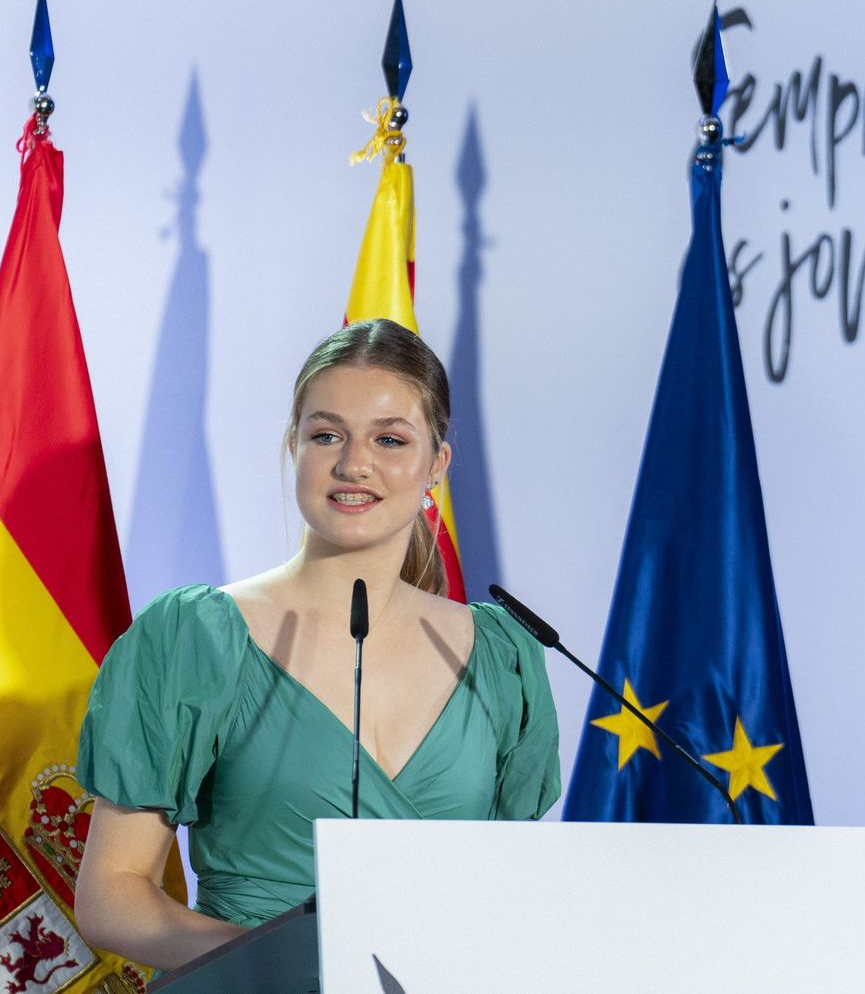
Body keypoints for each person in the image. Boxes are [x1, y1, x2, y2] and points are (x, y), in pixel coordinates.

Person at [74, 318, 561, 971]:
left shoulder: (504, 656)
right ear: (293, 448)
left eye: (389, 439)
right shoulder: (195, 637)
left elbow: (501, 895)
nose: (354, 463)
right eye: (326, 434)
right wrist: (296, 967)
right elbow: (111, 898)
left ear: (436, 465)